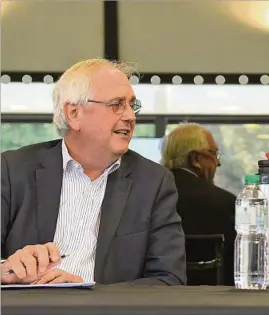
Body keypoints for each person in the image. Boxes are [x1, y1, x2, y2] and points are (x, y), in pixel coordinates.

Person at [1, 59, 186, 285]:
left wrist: (87, 291)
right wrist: (7, 270)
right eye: (117, 104)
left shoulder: (154, 182)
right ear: (74, 113)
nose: (130, 116)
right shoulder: (13, 170)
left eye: (132, 105)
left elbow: (169, 280)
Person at [161, 123, 236, 286]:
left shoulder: (145, 197)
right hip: (218, 302)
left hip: (153, 298)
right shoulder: (225, 203)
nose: (218, 162)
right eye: (214, 154)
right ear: (195, 159)